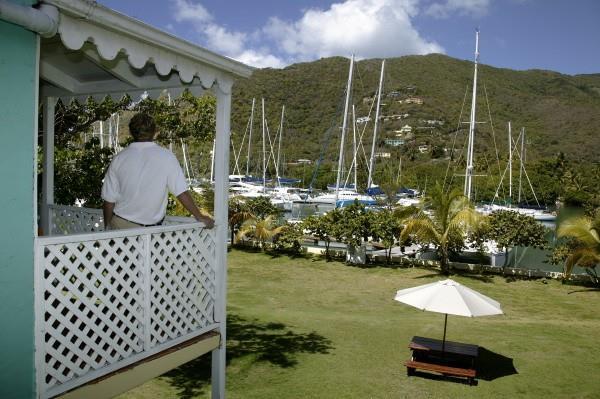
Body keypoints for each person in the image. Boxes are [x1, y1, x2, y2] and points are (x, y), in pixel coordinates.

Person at [101, 113, 214, 230]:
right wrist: (199, 216)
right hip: (150, 231)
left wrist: (107, 228)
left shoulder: (119, 158)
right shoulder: (166, 157)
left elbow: (109, 200)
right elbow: (181, 192)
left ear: (131, 132)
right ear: (154, 132)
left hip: (120, 225)